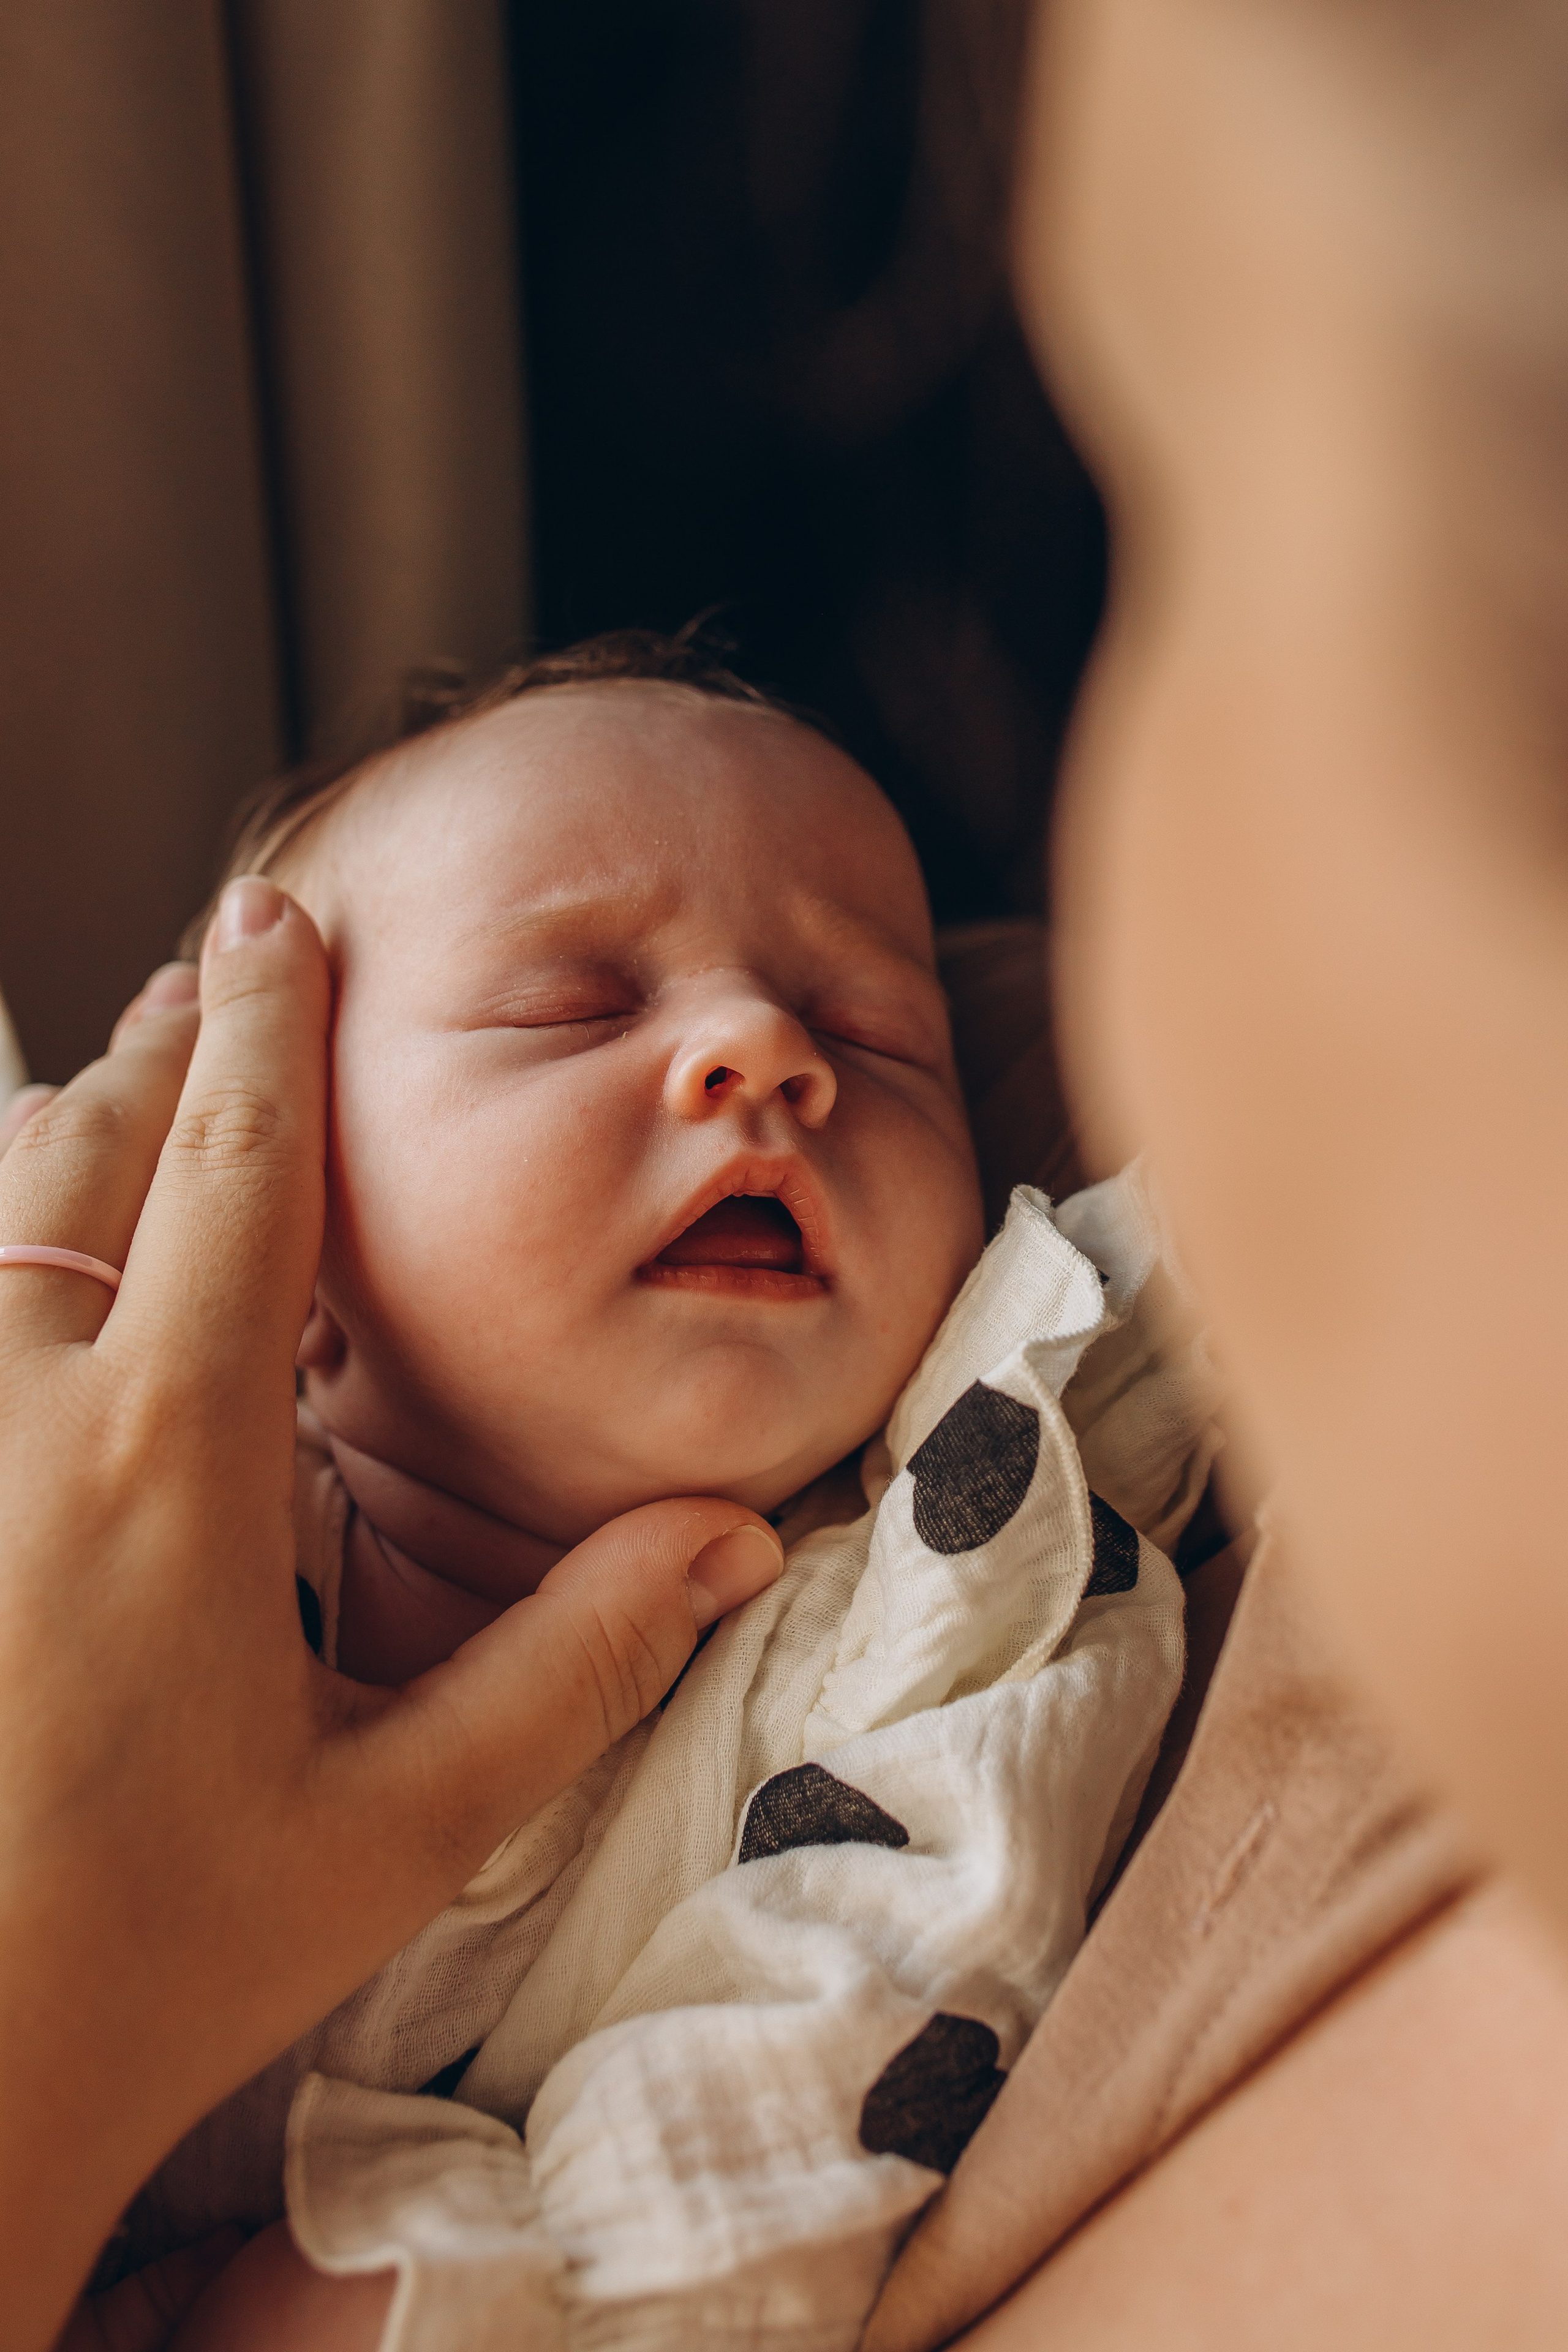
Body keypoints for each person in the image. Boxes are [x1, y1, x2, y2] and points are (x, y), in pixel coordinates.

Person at [113, 635, 1205, 2349]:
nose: (765, 1049)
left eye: (875, 1029)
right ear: (276, 1238)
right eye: (574, 1007)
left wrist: (435, 2279)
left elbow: (849, 2021)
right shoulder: (113, 1492)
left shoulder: (950, 1565)